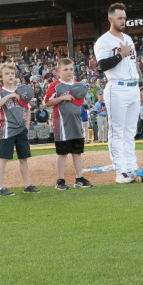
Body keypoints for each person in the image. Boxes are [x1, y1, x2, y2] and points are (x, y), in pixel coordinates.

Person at [94, 2, 140, 184]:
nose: (123, 21)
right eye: (120, 18)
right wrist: (121, 54)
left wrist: (141, 88)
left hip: (133, 87)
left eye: (125, 18)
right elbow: (102, 65)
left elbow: (134, 65)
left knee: (130, 131)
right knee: (117, 131)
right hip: (116, 87)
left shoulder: (128, 39)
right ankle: (120, 171)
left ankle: (131, 167)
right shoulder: (103, 41)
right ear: (110, 19)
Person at [0, 62, 39, 196]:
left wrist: (27, 125)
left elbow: (27, 108)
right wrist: (9, 96)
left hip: (21, 129)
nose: (10, 76)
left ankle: (27, 185)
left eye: (12, 73)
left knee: (23, 158)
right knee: (4, 158)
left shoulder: (21, 91)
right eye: (7, 73)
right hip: (8, 129)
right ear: (0, 77)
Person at [43, 57, 93, 190]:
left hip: (76, 122)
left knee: (77, 151)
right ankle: (60, 180)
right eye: (66, 70)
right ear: (59, 71)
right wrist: (62, 98)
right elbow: (47, 102)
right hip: (61, 123)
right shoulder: (55, 85)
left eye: (71, 69)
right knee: (62, 153)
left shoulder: (78, 85)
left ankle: (79, 178)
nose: (69, 72)